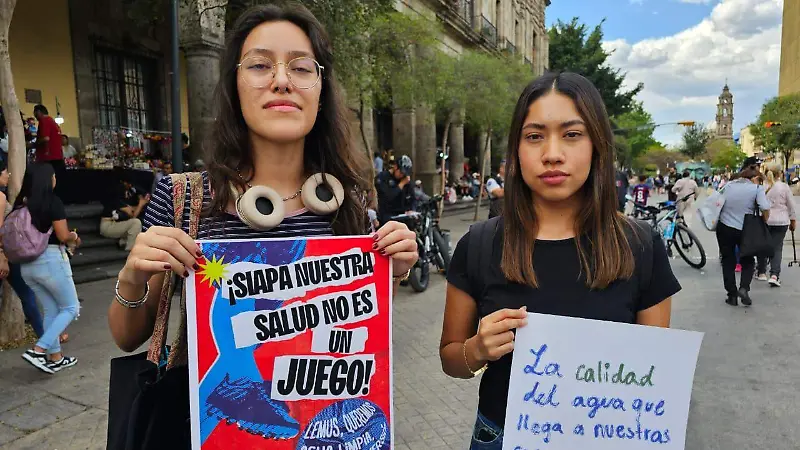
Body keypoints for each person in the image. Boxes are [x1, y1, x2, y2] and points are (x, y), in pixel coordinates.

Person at [107, 5, 417, 443]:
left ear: (321, 90)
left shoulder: (353, 205)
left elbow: (357, 337)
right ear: (235, 86)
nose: (281, 80)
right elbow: (127, 338)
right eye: (259, 64)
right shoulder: (182, 199)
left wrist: (393, 271)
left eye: (301, 67)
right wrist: (133, 274)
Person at [439, 72, 679, 449]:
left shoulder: (640, 245)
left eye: (572, 134)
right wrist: (477, 349)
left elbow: (652, 376)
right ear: (517, 150)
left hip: (608, 439)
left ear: (597, 144)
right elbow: (451, 359)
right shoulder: (480, 244)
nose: (552, 153)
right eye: (535, 136)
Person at [16, 163, 81, 373]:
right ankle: (38, 350)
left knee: (51, 309)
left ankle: (55, 357)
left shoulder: (21, 204)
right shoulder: (52, 202)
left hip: (26, 265)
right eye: (53, 176)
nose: (55, 179)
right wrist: (74, 237)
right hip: (50, 260)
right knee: (71, 307)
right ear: (47, 179)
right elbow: (63, 236)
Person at [716, 167, 770, 306]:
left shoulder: (728, 186)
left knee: (728, 260)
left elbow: (717, 202)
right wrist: (765, 220)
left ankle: (732, 295)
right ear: (754, 178)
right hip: (746, 229)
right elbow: (765, 207)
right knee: (748, 259)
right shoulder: (756, 189)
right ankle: (744, 288)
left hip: (725, 227)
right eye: (759, 180)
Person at [755, 165, 796, 286]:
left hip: (765, 220)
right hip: (781, 221)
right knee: (777, 247)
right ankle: (774, 275)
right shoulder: (784, 187)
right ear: (780, 173)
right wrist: (793, 220)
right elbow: (791, 205)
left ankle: (761, 272)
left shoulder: (761, 187)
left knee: (762, 245)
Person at [100, 180, 150, 251]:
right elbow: (133, 215)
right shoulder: (116, 201)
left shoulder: (121, 201)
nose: (127, 194)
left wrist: (142, 203)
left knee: (139, 225)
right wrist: (140, 204)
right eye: (126, 192)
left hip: (113, 224)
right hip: (108, 226)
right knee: (136, 223)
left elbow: (131, 208)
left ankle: (123, 242)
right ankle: (130, 250)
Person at [376, 154, 415, 224]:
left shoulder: (405, 180)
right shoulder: (383, 177)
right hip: (387, 215)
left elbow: (412, 197)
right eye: (401, 173)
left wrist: (411, 209)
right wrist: (401, 185)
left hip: (402, 215)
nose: (402, 175)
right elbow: (387, 197)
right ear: (395, 167)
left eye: (404, 174)